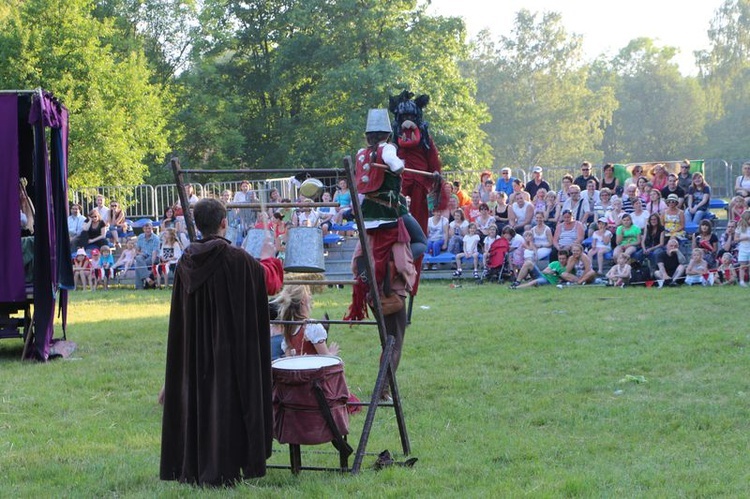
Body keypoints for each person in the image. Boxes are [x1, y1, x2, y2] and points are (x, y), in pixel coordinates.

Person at [160, 197, 282, 487]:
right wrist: (270, 256)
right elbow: (268, 282)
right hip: (227, 349)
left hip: (195, 350)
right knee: (226, 403)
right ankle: (224, 468)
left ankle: (195, 466)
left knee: (199, 401)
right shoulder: (236, 259)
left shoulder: (185, 260)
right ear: (224, 223)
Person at [344, 108, 419, 402]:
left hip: (369, 228)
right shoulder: (386, 150)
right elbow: (396, 166)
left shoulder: (362, 155)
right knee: (421, 241)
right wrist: (399, 164)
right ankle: (383, 390)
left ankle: (383, 387)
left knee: (386, 335)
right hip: (389, 218)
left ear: (367, 135)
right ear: (387, 135)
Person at [389, 90, 442, 238]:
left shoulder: (424, 136)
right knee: (396, 209)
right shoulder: (394, 137)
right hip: (401, 179)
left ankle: (418, 239)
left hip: (419, 178)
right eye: (405, 116)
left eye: (411, 116)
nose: (408, 120)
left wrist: (435, 172)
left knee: (419, 214)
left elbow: (432, 155)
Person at [134, 222, 161, 290]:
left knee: (138, 266)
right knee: (138, 258)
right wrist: (140, 253)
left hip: (153, 257)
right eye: (146, 229)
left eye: (149, 228)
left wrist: (152, 264)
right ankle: (147, 278)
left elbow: (155, 252)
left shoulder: (156, 238)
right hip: (143, 255)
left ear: (152, 229)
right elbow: (137, 250)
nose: (147, 230)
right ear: (143, 229)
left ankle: (139, 288)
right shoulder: (140, 237)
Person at [736, 210, 750, 287]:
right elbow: (736, 239)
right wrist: (745, 238)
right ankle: (741, 281)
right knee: (742, 265)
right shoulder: (740, 228)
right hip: (743, 249)